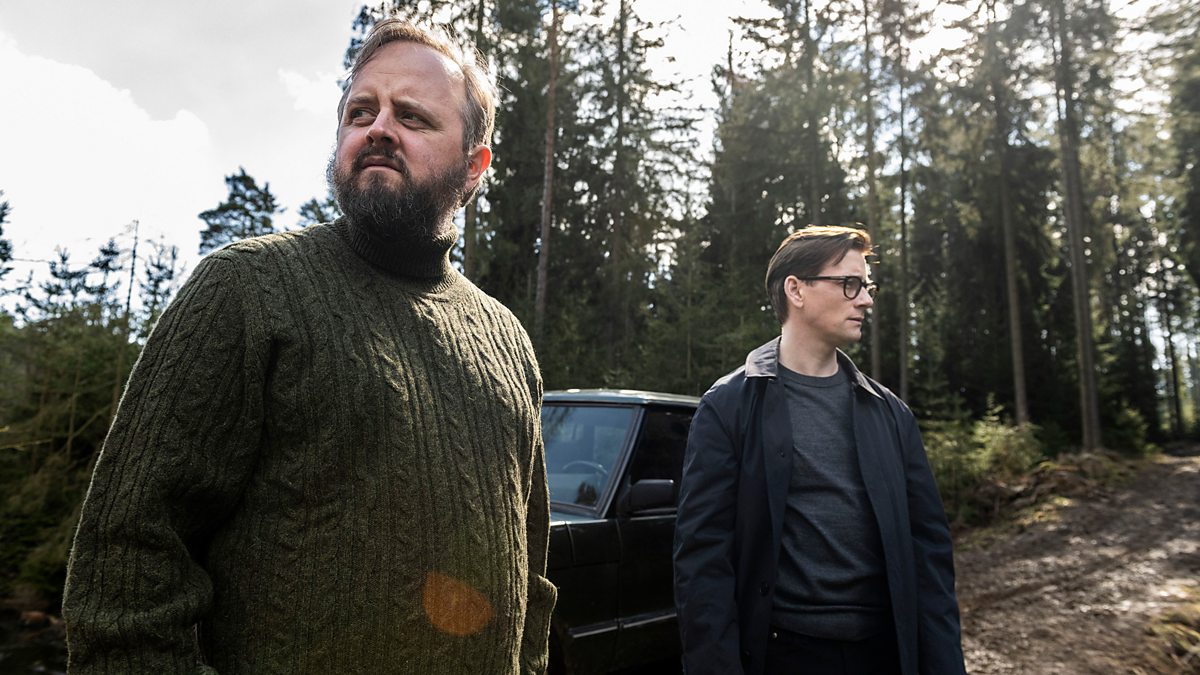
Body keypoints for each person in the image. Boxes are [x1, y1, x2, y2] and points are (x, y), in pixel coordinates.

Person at [62, 20, 556, 674]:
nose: (378, 128)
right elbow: (124, 567)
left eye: (411, 116)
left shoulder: (507, 340)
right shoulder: (246, 289)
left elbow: (531, 570)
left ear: (473, 166)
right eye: (360, 111)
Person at [673, 226, 965, 675]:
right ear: (796, 290)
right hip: (783, 655)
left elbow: (930, 559)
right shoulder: (729, 407)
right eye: (849, 284)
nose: (865, 300)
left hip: (883, 654)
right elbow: (703, 562)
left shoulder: (890, 414)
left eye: (866, 286)